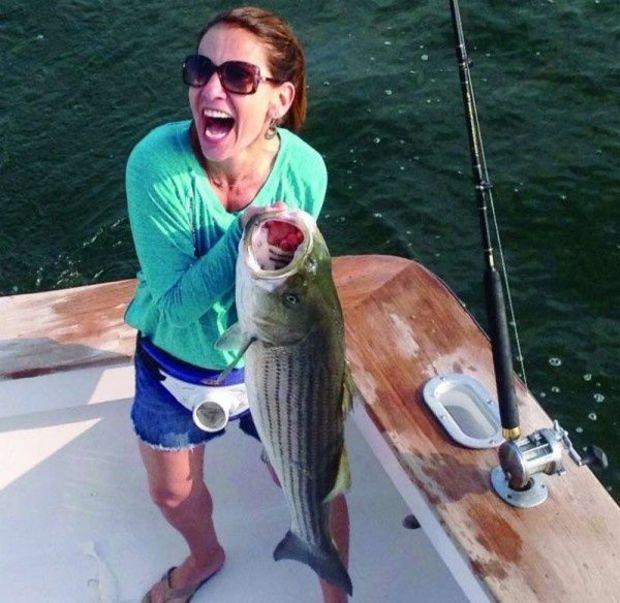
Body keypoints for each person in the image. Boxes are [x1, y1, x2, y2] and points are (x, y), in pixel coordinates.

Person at [124, 7, 350, 603]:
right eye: (200, 71)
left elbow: (299, 288)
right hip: (175, 368)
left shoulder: (306, 170)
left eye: (238, 77)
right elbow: (172, 307)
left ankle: (336, 593)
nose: (210, 89)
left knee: (312, 480)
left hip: (270, 371)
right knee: (171, 493)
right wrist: (243, 233)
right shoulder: (156, 165)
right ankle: (205, 557)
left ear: (280, 97)